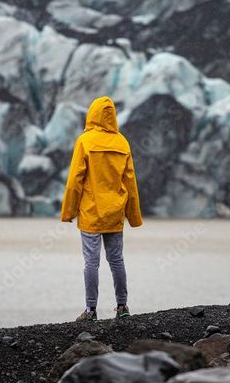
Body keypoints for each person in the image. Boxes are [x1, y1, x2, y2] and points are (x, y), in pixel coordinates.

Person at [60, 95, 143, 321]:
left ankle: (91, 311)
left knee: (91, 262)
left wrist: (68, 211)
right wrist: (134, 216)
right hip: (115, 211)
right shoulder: (122, 142)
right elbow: (130, 183)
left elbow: (74, 181)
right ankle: (123, 307)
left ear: (93, 114)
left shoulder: (85, 141)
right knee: (116, 260)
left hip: (91, 212)